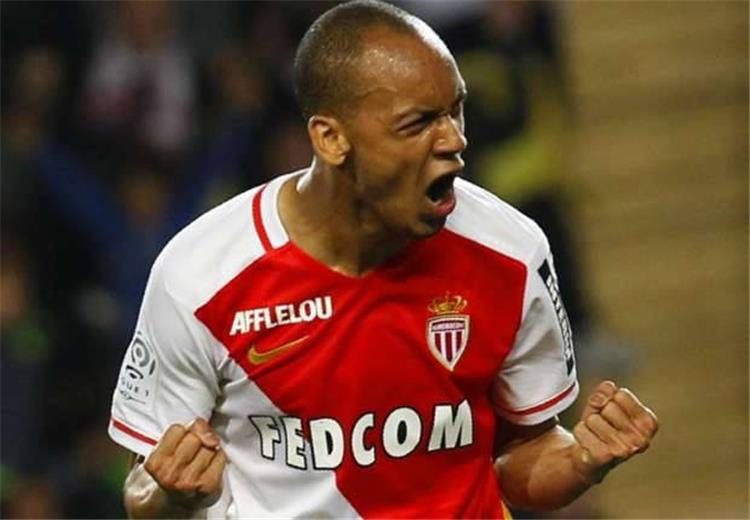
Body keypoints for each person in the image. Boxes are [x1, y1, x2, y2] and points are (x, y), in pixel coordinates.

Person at [109, 1, 658, 518]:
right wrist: (169, 494)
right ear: (331, 138)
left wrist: (582, 459)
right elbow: (142, 487)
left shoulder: (511, 254)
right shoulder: (201, 277)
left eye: (456, 111)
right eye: (418, 123)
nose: (454, 140)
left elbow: (525, 454)